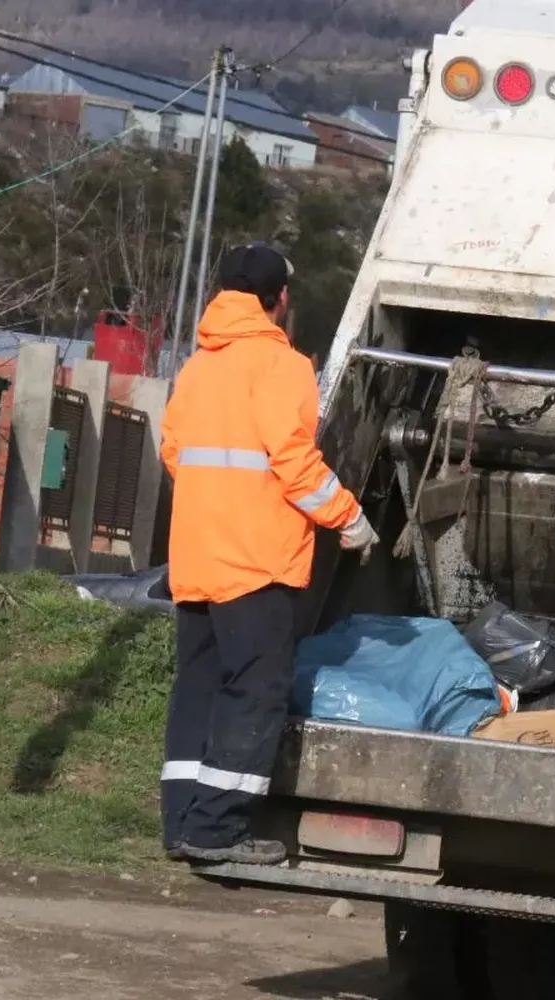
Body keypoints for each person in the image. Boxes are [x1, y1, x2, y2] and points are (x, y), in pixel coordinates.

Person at [158, 243, 379, 865]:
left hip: (198, 557)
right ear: (279, 299)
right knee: (253, 691)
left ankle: (182, 823)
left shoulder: (199, 366)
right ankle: (218, 829)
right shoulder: (283, 367)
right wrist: (349, 517)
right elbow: (295, 464)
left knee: (198, 685)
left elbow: (174, 453)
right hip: (256, 562)